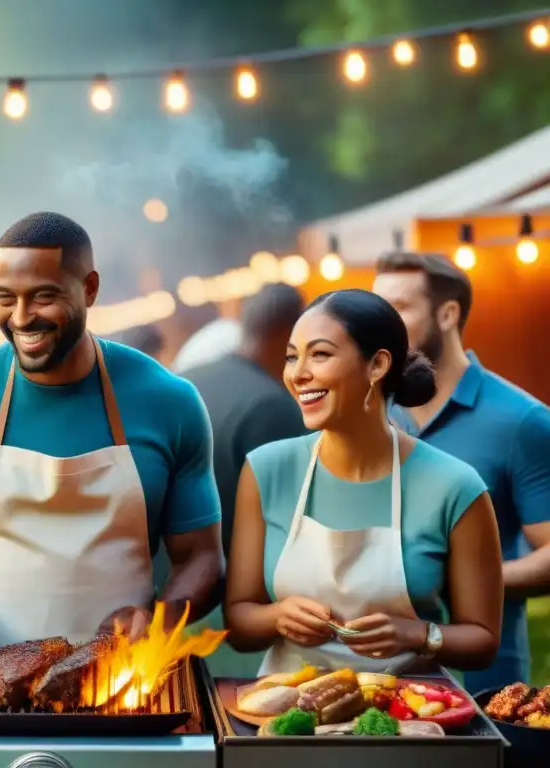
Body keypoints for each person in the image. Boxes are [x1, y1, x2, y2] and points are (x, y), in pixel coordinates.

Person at [0, 211, 225, 648]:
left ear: (89, 289)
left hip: (121, 682)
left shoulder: (169, 401)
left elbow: (202, 556)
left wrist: (163, 618)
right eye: (6, 298)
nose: (22, 317)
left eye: (43, 296)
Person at [224, 289, 503, 675]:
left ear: (377, 365)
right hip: (288, 717)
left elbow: (483, 640)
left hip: (413, 715)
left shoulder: (455, 486)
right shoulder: (266, 469)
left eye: (319, 354)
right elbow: (239, 620)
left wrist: (418, 634)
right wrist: (276, 617)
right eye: (292, 356)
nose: (298, 373)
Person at [374, 252, 550, 691]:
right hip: (378, 683)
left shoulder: (521, 420)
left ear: (448, 313)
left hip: (482, 685)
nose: (383, 327)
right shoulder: (372, 412)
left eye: (399, 308)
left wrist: (458, 581)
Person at [182, 284, 307, 557]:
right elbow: (290, 521)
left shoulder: (185, 381)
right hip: (229, 581)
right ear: (290, 334)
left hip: (167, 579)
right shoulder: (272, 406)